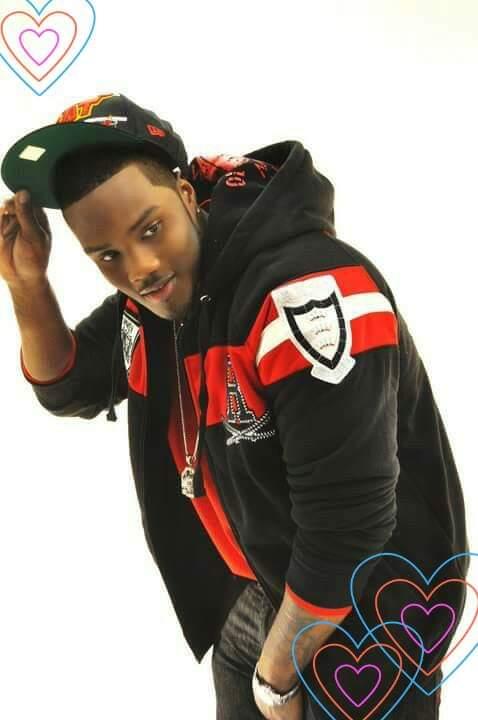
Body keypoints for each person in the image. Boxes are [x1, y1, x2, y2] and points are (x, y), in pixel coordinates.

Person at [0, 92, 470, 719]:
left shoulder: (308, 294)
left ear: (186, 194)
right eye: (107, 255)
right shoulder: (162, 298)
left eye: (149, 229)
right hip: (257, 595)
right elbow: (69, 383)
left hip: (367, 620)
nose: (140, 268)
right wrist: (27, 282)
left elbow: (349, 529)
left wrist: (276, 675)